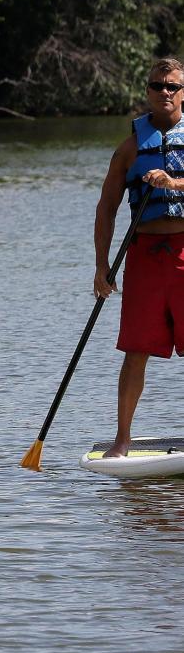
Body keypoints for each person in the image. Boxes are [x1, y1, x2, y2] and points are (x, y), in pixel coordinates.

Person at [94, 56, 184, 457]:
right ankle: (123, 439)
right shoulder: (130, 147)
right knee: (136, 349)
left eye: (173, 87)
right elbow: (106, 206)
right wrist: (101, 267)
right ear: (147, 91)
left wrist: (173, 181)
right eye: (158, 86)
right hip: (145, 257)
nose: (165, 92)